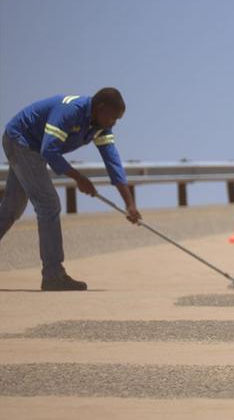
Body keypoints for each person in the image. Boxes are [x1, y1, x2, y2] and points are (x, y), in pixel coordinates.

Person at [1, 88, 141, 290]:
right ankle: (53, 275)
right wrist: (79, 178)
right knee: (48, 204)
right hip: (21, 140)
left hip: (33, 147)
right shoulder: (70, 111)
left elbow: (113, 162)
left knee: (12, 207)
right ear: (99, 108)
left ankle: (53, 274)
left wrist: (130, 205)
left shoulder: (100, 126)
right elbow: (49, 150)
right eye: (113, 117)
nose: (114, 123)